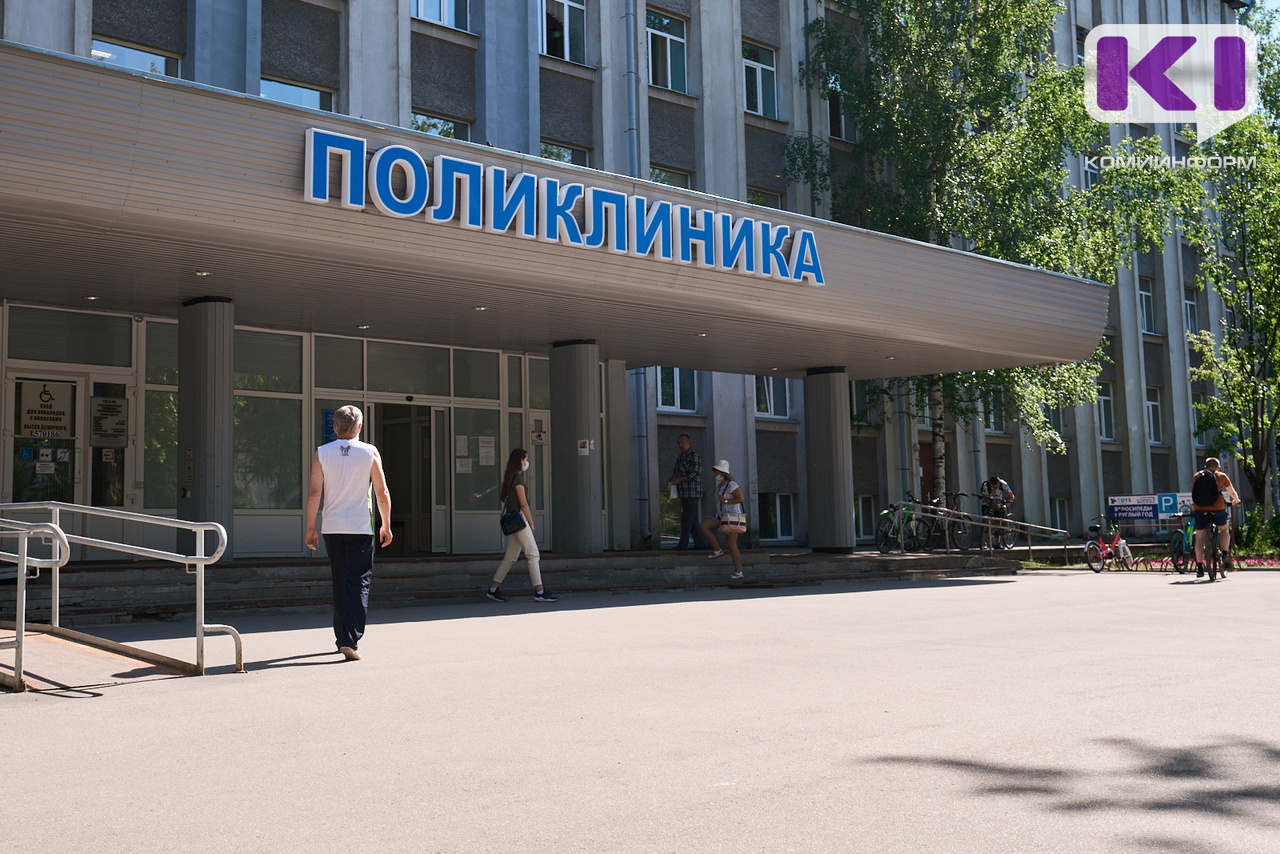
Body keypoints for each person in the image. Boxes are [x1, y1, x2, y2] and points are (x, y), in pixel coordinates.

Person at [304, 405, 392, 661]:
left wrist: (311, 527)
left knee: (340, 580)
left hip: (332, 527)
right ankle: (350, 639)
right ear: (359, 428)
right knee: (359, 581)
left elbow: (314, 491)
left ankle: (341, 636)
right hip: (360, 527)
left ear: (335, 428)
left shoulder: (322, 453)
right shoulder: (369, 452)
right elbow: (382, 492)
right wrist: (385, 524)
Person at [487, 448, 557, 603]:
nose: (527, 462)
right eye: (525, 459)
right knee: (533, 554)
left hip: (513, 520)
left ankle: (493, 589)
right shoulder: (517, 478)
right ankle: (539, 592)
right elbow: (523, 503)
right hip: (519, 519)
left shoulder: (510, 476)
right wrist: (531, 522)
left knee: (510, 557)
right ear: (520, 460)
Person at [1192, 457, 1239, 576]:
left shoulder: (1197, 476)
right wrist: (1236, 500)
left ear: (1205, 467)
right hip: (1217, 508)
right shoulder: (1221, 476)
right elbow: (1231, 492)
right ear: (1218, 468)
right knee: (1224, 529)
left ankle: (1199, 567)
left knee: (1199, 537)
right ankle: (1224, 555)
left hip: (1200, 508)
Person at [699, 459, 747, 579]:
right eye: (715, 472)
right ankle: (718, 550)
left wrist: (725, 501)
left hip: (731, 517)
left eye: (717, 472)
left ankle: (738, 572)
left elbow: (741, 498)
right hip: (721, 516)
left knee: (731, 545)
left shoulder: (731, 484)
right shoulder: (720, 486)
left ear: (723, 473)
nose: (715, 474)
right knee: (704, 526)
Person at [667, 433, 710, 550]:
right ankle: (701, 543)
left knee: (687, 518)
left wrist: (680, 479)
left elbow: (695, 473)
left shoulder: (694, 456)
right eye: (678, 443)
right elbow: (677, 471)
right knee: (692, 518)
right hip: (683, 492)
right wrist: (673, 479)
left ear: (688, 443)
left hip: (692, 492)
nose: (680, 445)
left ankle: (683, 544)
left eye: (682, 442)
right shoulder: (680, 457)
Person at [980, 474, 1016, 549]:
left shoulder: (1003, 484)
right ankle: (984, 542)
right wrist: (994, 505)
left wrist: (1005, 505)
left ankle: (997, 543)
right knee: (985, 522)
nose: (995, 488)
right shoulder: (986, 486)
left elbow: (1012, 497)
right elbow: (986, 499)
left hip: (999, 503)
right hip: (987, 504)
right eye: (994, 487)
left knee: (998, 522)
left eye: (997, 487)